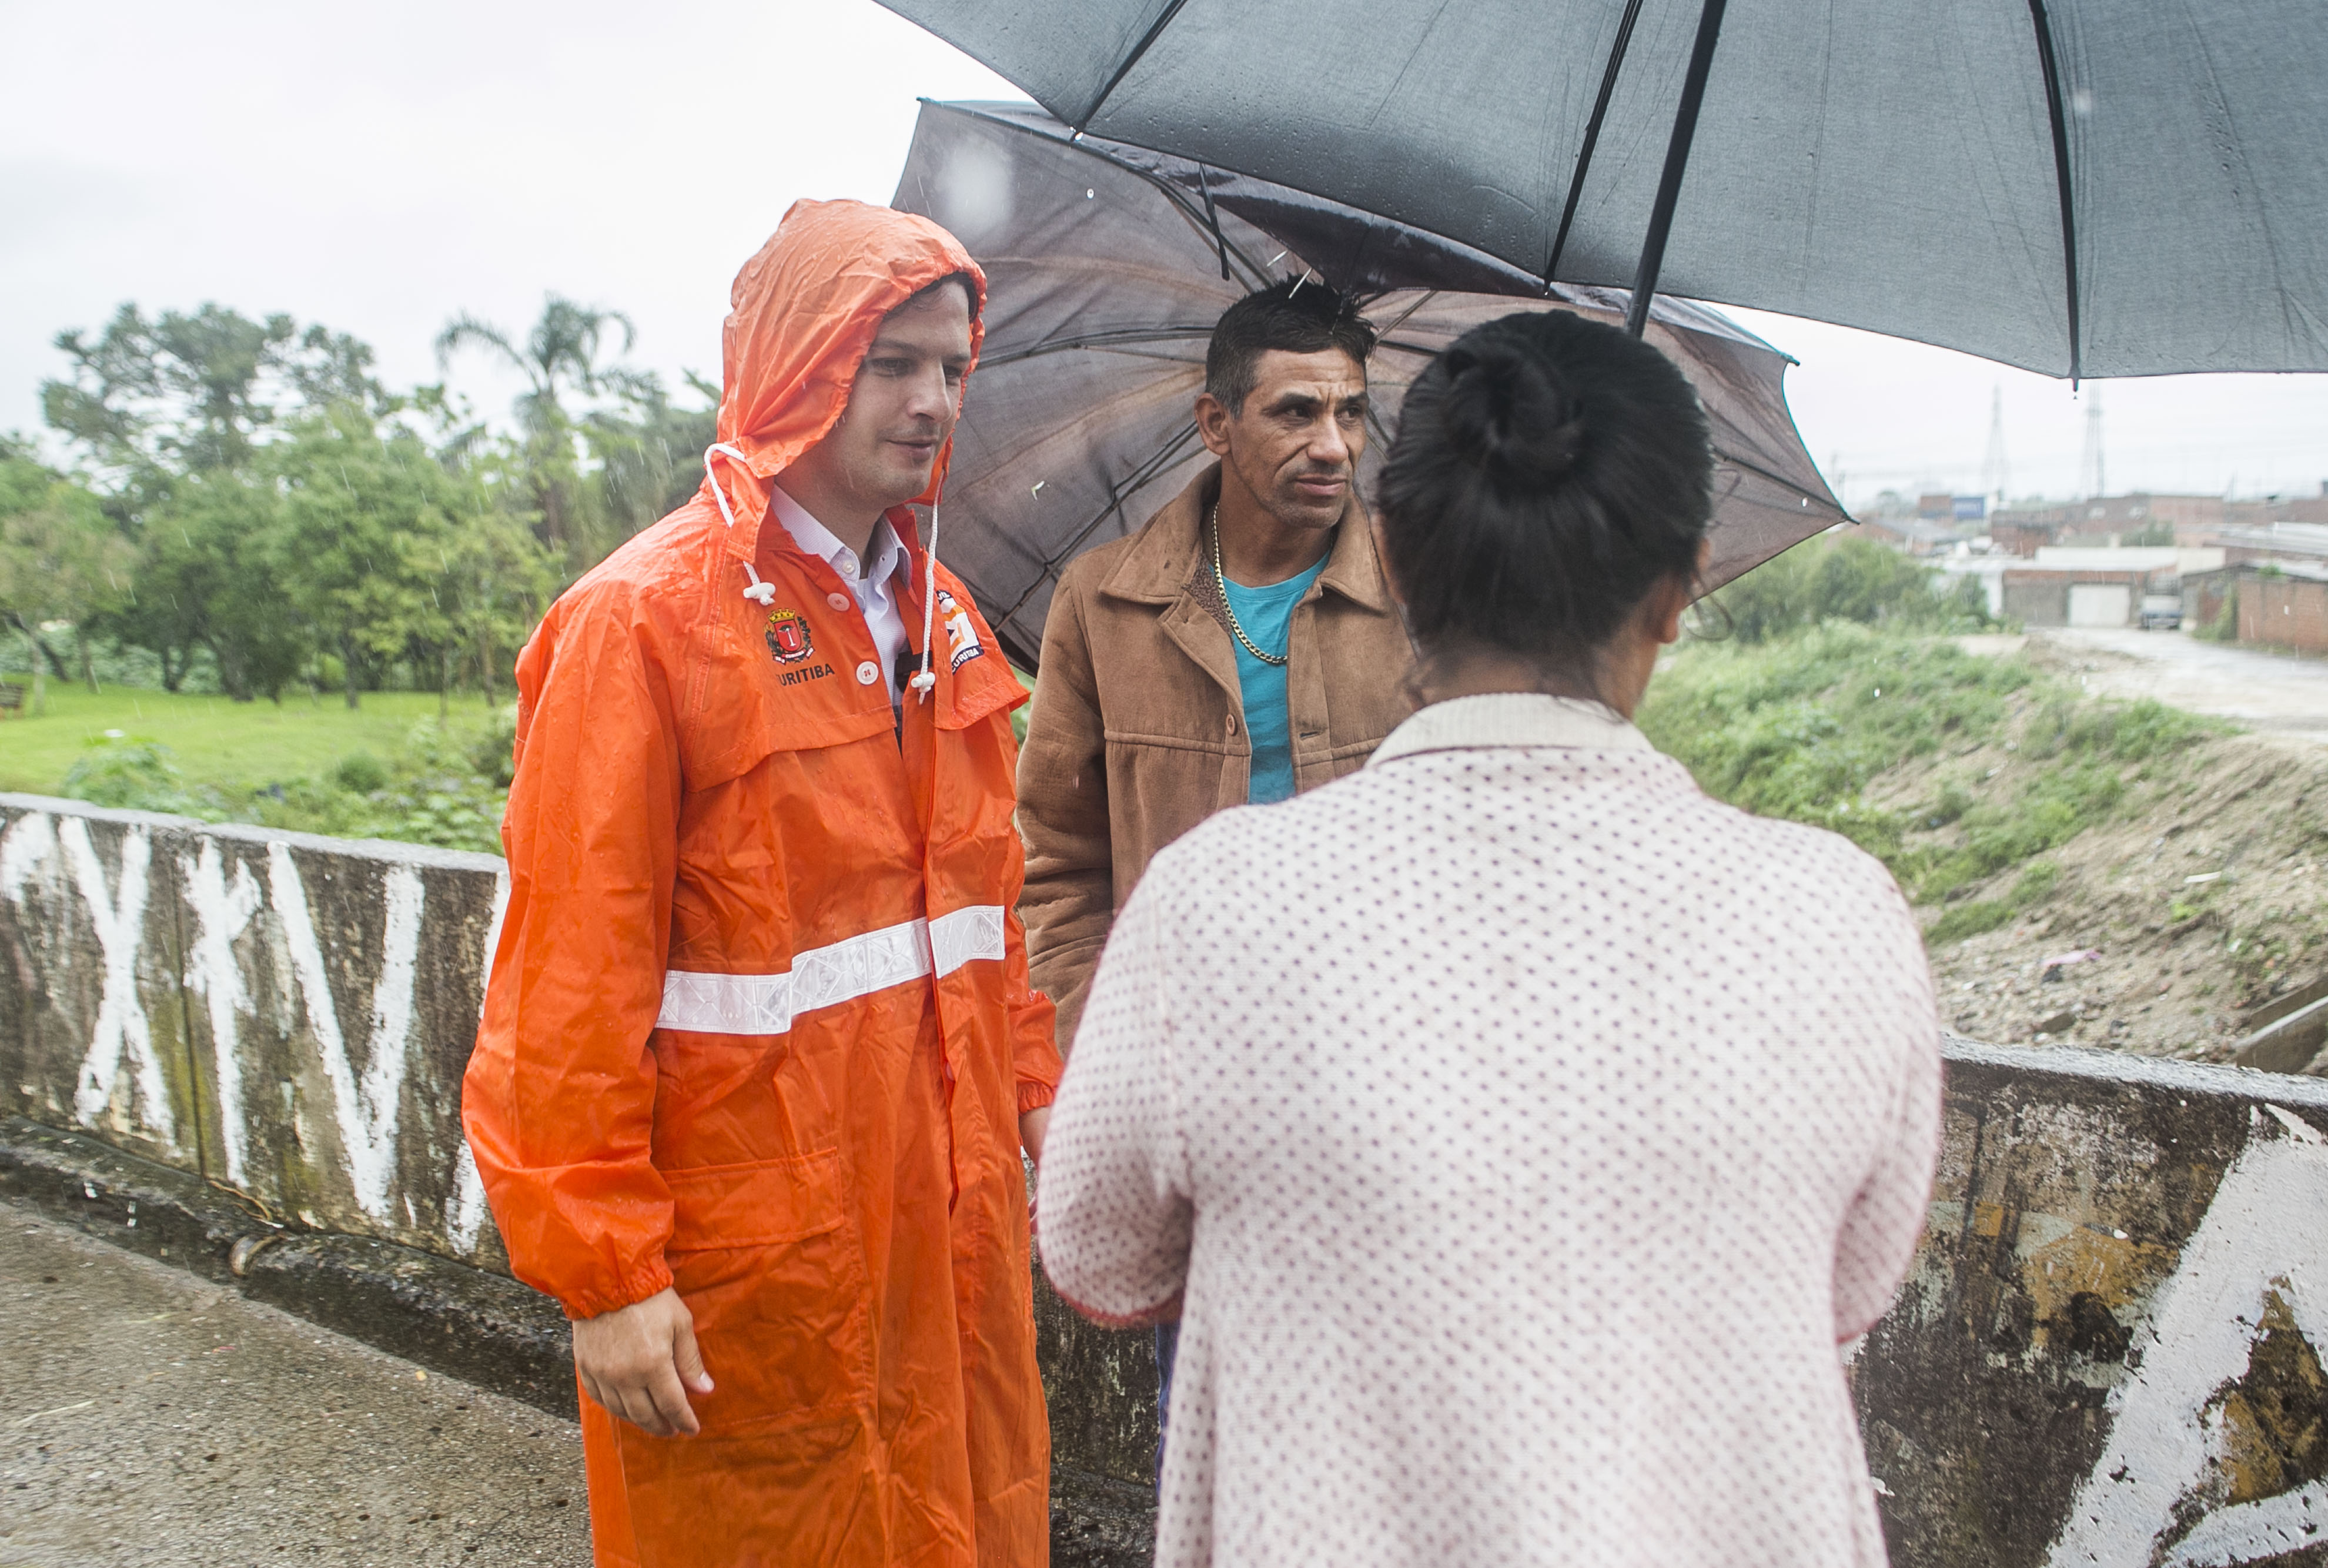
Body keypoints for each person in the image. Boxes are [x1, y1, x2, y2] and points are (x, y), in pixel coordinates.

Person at [1034, 309, 1944, 1567]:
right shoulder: (1836, 910)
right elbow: (1844, 1289)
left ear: (1394, 557)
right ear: (1678, 589)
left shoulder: (1207, 906)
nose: (1323, 440)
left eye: (1347, 417)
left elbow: (1099, 1246)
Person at [463, 199, 1061, 1568]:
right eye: (890, 361)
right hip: (758, 1236)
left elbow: (986, 914)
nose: (929, 400)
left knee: (965, 1511)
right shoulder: (644, 619)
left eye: (953, 367)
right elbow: (568, 972)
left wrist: (1030, 1102)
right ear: (797, 362)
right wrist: (605, 1274)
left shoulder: (939, 614)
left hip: (946, 1203)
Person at [1015, 276, 1413, 1467]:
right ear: (1213, 423)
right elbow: (1054, 865)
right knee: (1216, 1432)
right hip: (1194, 1098)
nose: (1331, 444)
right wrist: (1104, 1060)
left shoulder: (1426, 593)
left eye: (1350, 412)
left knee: (1397, 1440)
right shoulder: (1103, 600)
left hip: (1385, 1088)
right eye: (1294, 412)